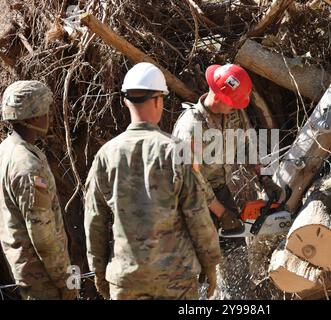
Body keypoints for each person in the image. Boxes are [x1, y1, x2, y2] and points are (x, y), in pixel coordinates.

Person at [84, 62, 221, 300]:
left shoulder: (106, 155)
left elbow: (94, 220)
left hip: (126, 278)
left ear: (126, 101)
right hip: (175, 278)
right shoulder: (176, 152)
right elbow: (197, 214)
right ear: (159, 100)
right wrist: (210, 264)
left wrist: (98, 271)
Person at [172, 64, 283, 235]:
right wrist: (221, 212)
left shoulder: (233, 114)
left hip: (219, 189)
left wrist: (265, 177)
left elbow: (247, 145)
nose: (236, 108)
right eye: (233, 104)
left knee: (235, 243)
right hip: (191, 199)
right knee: (203, 255)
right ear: (218, 97)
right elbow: (191, 180)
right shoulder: (191, 128)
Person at [0, 80, 77, 300]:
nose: (49, 117)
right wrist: (67, 281)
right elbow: (42, 235)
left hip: (26, 273)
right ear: (33, 117)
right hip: (43, 282)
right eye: (46, 110)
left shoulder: (7, 150)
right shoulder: (27, 164)